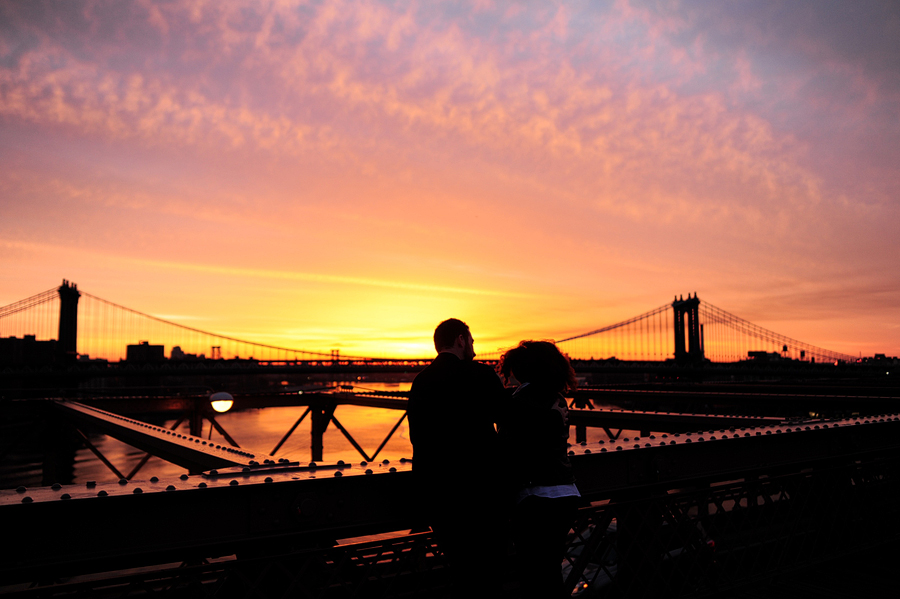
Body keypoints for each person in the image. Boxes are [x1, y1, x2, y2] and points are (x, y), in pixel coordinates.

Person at [407, 318, 507, 596]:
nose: (474, 345)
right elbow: (507, 421)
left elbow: (418, 438)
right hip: (484, 491)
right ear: (461, 339)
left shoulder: (421, 381)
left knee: (461, 571)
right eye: (472, 340)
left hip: (439, 495)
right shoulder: (482, 374)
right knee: (490, 572)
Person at [497, 340, 580, 599]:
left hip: (534, 497)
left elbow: (507, 450)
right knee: (551, 573)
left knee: (533, 577)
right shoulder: (559, 399)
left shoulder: (517, 401)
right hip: (566, 494)